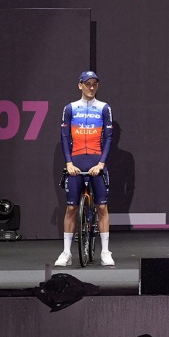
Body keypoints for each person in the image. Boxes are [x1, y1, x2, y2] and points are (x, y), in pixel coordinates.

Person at [56, 71, 115, 267]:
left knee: (102, 207)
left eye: (95, 84)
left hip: (97, 161)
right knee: (71, 208)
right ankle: (66, 253)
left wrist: (101, 164)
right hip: (76, 162)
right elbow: (64, 137)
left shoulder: (104, 108)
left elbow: (109, 138)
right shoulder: (70, 108)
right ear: (80, 85)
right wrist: (68, 163)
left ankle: (105, 252)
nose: (91, 87)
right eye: (88, 84)